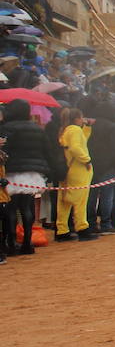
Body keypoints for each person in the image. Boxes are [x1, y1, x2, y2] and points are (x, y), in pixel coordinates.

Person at [0, 100, 49, 256]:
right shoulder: (37, 128)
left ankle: (12, 243)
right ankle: (28, 243)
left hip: (12, 171)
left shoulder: (7, 128)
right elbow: (45, 149)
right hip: (32, 172)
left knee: (11, 208)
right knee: (27, 207)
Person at [84, 99, 115, 233]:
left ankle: (91, 223)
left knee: (92, 195)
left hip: (92, 164)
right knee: (107, 196)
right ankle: (106, 224)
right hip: (108, 165)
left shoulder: (91, 125)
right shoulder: (113, 127)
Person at [55, 107, 95, 242]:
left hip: (68, 169)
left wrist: (87, 127)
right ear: (77, 118)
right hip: (78, 170)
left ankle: (62, 230)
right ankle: (82, 227)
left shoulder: (67, 130)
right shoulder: (75, 130)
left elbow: (80, 141)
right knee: (80, 200)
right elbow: (76, 147)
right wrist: (86, 160)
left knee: (64, 201)